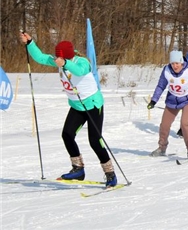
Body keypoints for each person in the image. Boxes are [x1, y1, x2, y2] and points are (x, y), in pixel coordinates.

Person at [19, 32, 117, 187]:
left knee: (95, 141)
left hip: (92, 105)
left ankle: (110, 173)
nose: (56, 60)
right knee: (67, 134)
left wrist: (64, 64)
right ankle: (78, 169)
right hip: (77, 106)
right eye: (57, 58)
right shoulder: (59, 60)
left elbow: (79, 71)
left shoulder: (83, 62)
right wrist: (30, 42)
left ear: (67, 56)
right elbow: (41, 57)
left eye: (60, 58)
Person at [147, 50, 188, 159]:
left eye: (177, 63)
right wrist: (154, 100)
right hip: (172, 101)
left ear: (182, 62)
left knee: (185, 123)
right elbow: (160, 86)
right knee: (164, 125)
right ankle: (162, 148)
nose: (175, 66)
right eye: (172, 63)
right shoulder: (166, 70)